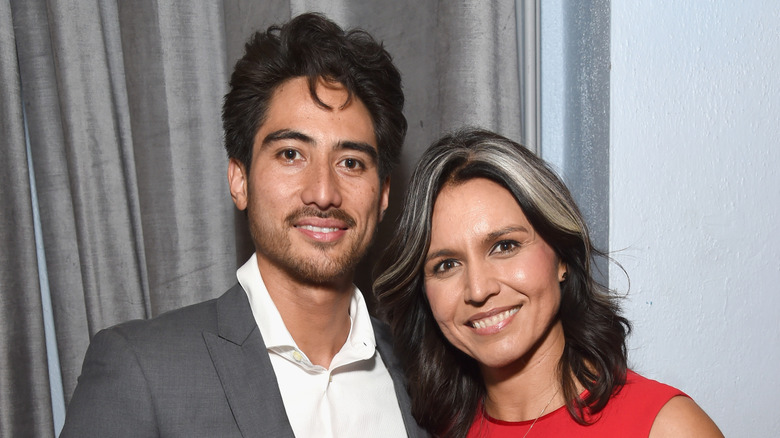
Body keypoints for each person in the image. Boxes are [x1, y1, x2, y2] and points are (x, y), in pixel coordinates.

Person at [61, 13, 425, 438]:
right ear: (240, 180)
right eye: (291, 154)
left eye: (350, 162)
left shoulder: (423, 373)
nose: (323, 192)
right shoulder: (143, 371)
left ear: (382, 195)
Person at [374, 128, 723, 437]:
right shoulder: (426, 431)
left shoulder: (666, 428)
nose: (478, 289)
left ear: (561, 257)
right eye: (447, 265)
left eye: (504, 246)